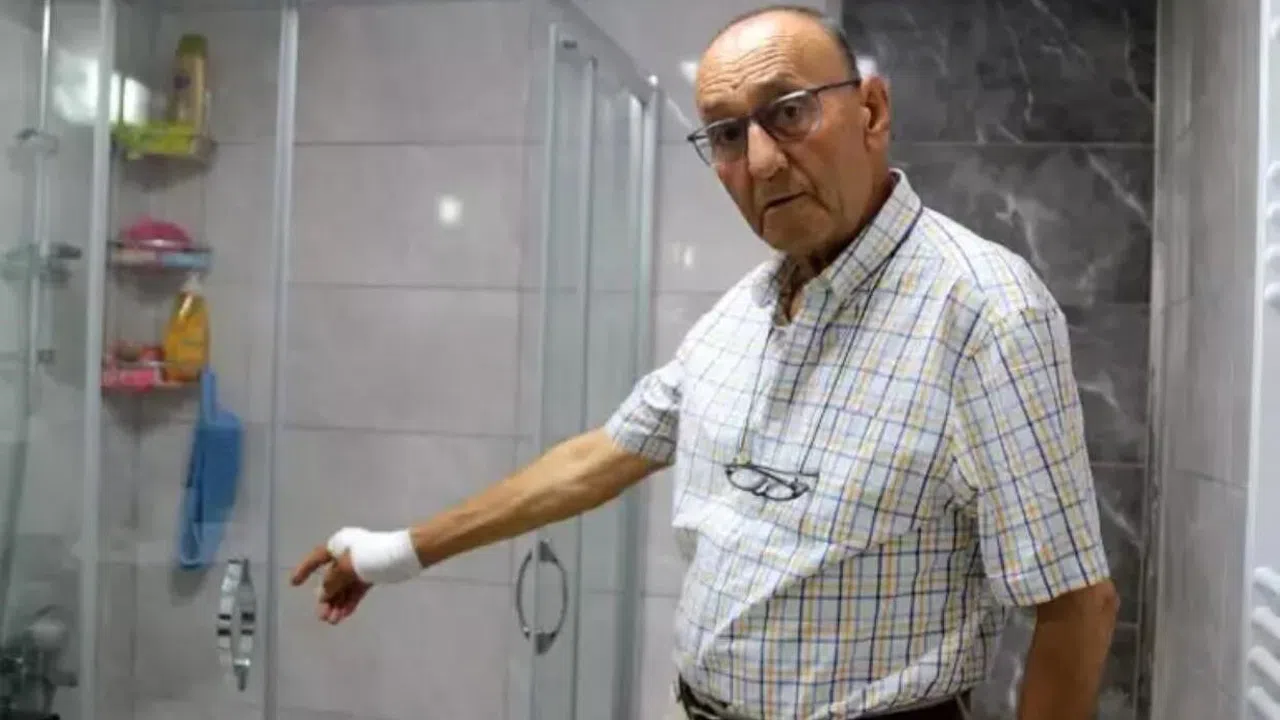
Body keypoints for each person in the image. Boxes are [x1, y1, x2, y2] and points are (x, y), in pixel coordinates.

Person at [290, 5, 1119, 719]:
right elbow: (600, 456)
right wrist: (397, 551)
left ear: (870, 111)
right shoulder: (742, 312)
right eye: (726, 135)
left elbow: (1077, 607)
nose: (759, 163)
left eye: (788, 112)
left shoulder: (984, 312)